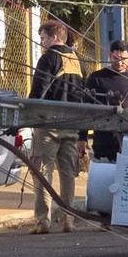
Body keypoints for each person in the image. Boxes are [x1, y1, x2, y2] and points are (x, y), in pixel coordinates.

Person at [28, 20, 86, 234]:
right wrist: (83, 134)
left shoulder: (48, 59)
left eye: (43, 37)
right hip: (72, 125)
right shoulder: (78, 60)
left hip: (48, 125)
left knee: (43, 172)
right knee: (68, 174)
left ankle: (42, 221)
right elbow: (84, 96)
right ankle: (67, 220)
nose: (41, 42)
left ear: (54, 38)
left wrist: (26, 115)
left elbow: (38, 91)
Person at [84, 40, 128, 161]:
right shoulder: (96, 78)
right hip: (103, 140)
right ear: (110, 56)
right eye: (115, 58)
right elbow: (86, 108)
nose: (119, 63)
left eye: (123, 59)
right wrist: (82, 138)